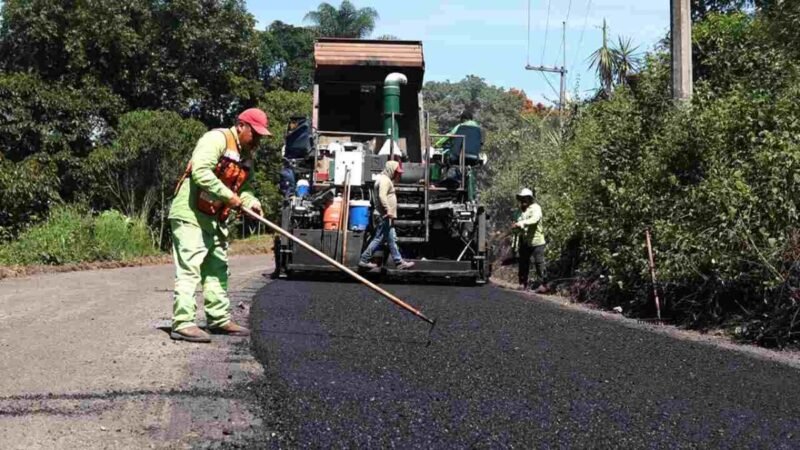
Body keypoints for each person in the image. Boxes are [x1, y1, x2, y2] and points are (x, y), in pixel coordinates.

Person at [168, 108, 271, 342]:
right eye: (254, 134)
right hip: (190, 213)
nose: (257, 140)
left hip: (215, 217)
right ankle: (183, 323)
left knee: (217, 268)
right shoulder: (216, 139)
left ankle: (218, 319)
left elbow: (245, 189)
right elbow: (201, 172)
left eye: (260, 137)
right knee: (190, 267)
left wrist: (251, 203)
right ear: (241, 125)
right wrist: (229, 197)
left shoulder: (247, 158)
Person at [358, 160, 415, 270]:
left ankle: (399, 262)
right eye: (396, 172)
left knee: (391, 238)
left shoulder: (383, 179)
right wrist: (388, 209)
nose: (397, 174)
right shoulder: (385, 180)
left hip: (384, 215)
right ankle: (364, 260)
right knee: (379, 238)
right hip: (383, 215)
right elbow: (382, 196)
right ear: (391, 170)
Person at [511, 188, 548, 293]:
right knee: (523, 263)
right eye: (522, 198)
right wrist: (514, 245)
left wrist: (521, 223)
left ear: (530, 199)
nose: (523, 200)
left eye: (525, 198)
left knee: (539, 263)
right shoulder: (518, 212)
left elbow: (534, 219)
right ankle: (523, 284)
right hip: (524, 241)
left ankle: (543, 284)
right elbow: (515, 229)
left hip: (537, 241)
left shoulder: (536, 208)